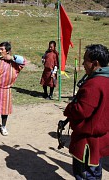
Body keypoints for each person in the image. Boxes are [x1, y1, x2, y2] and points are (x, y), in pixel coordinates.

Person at [63, 44, 109, 179]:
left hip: (87, 142)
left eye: (85, 60)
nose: (83, 64)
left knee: (85, 175)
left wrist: (69, 108)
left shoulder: (95, 84)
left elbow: (81, 111)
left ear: (95, 63)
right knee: (94, 173)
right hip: (99, 139)